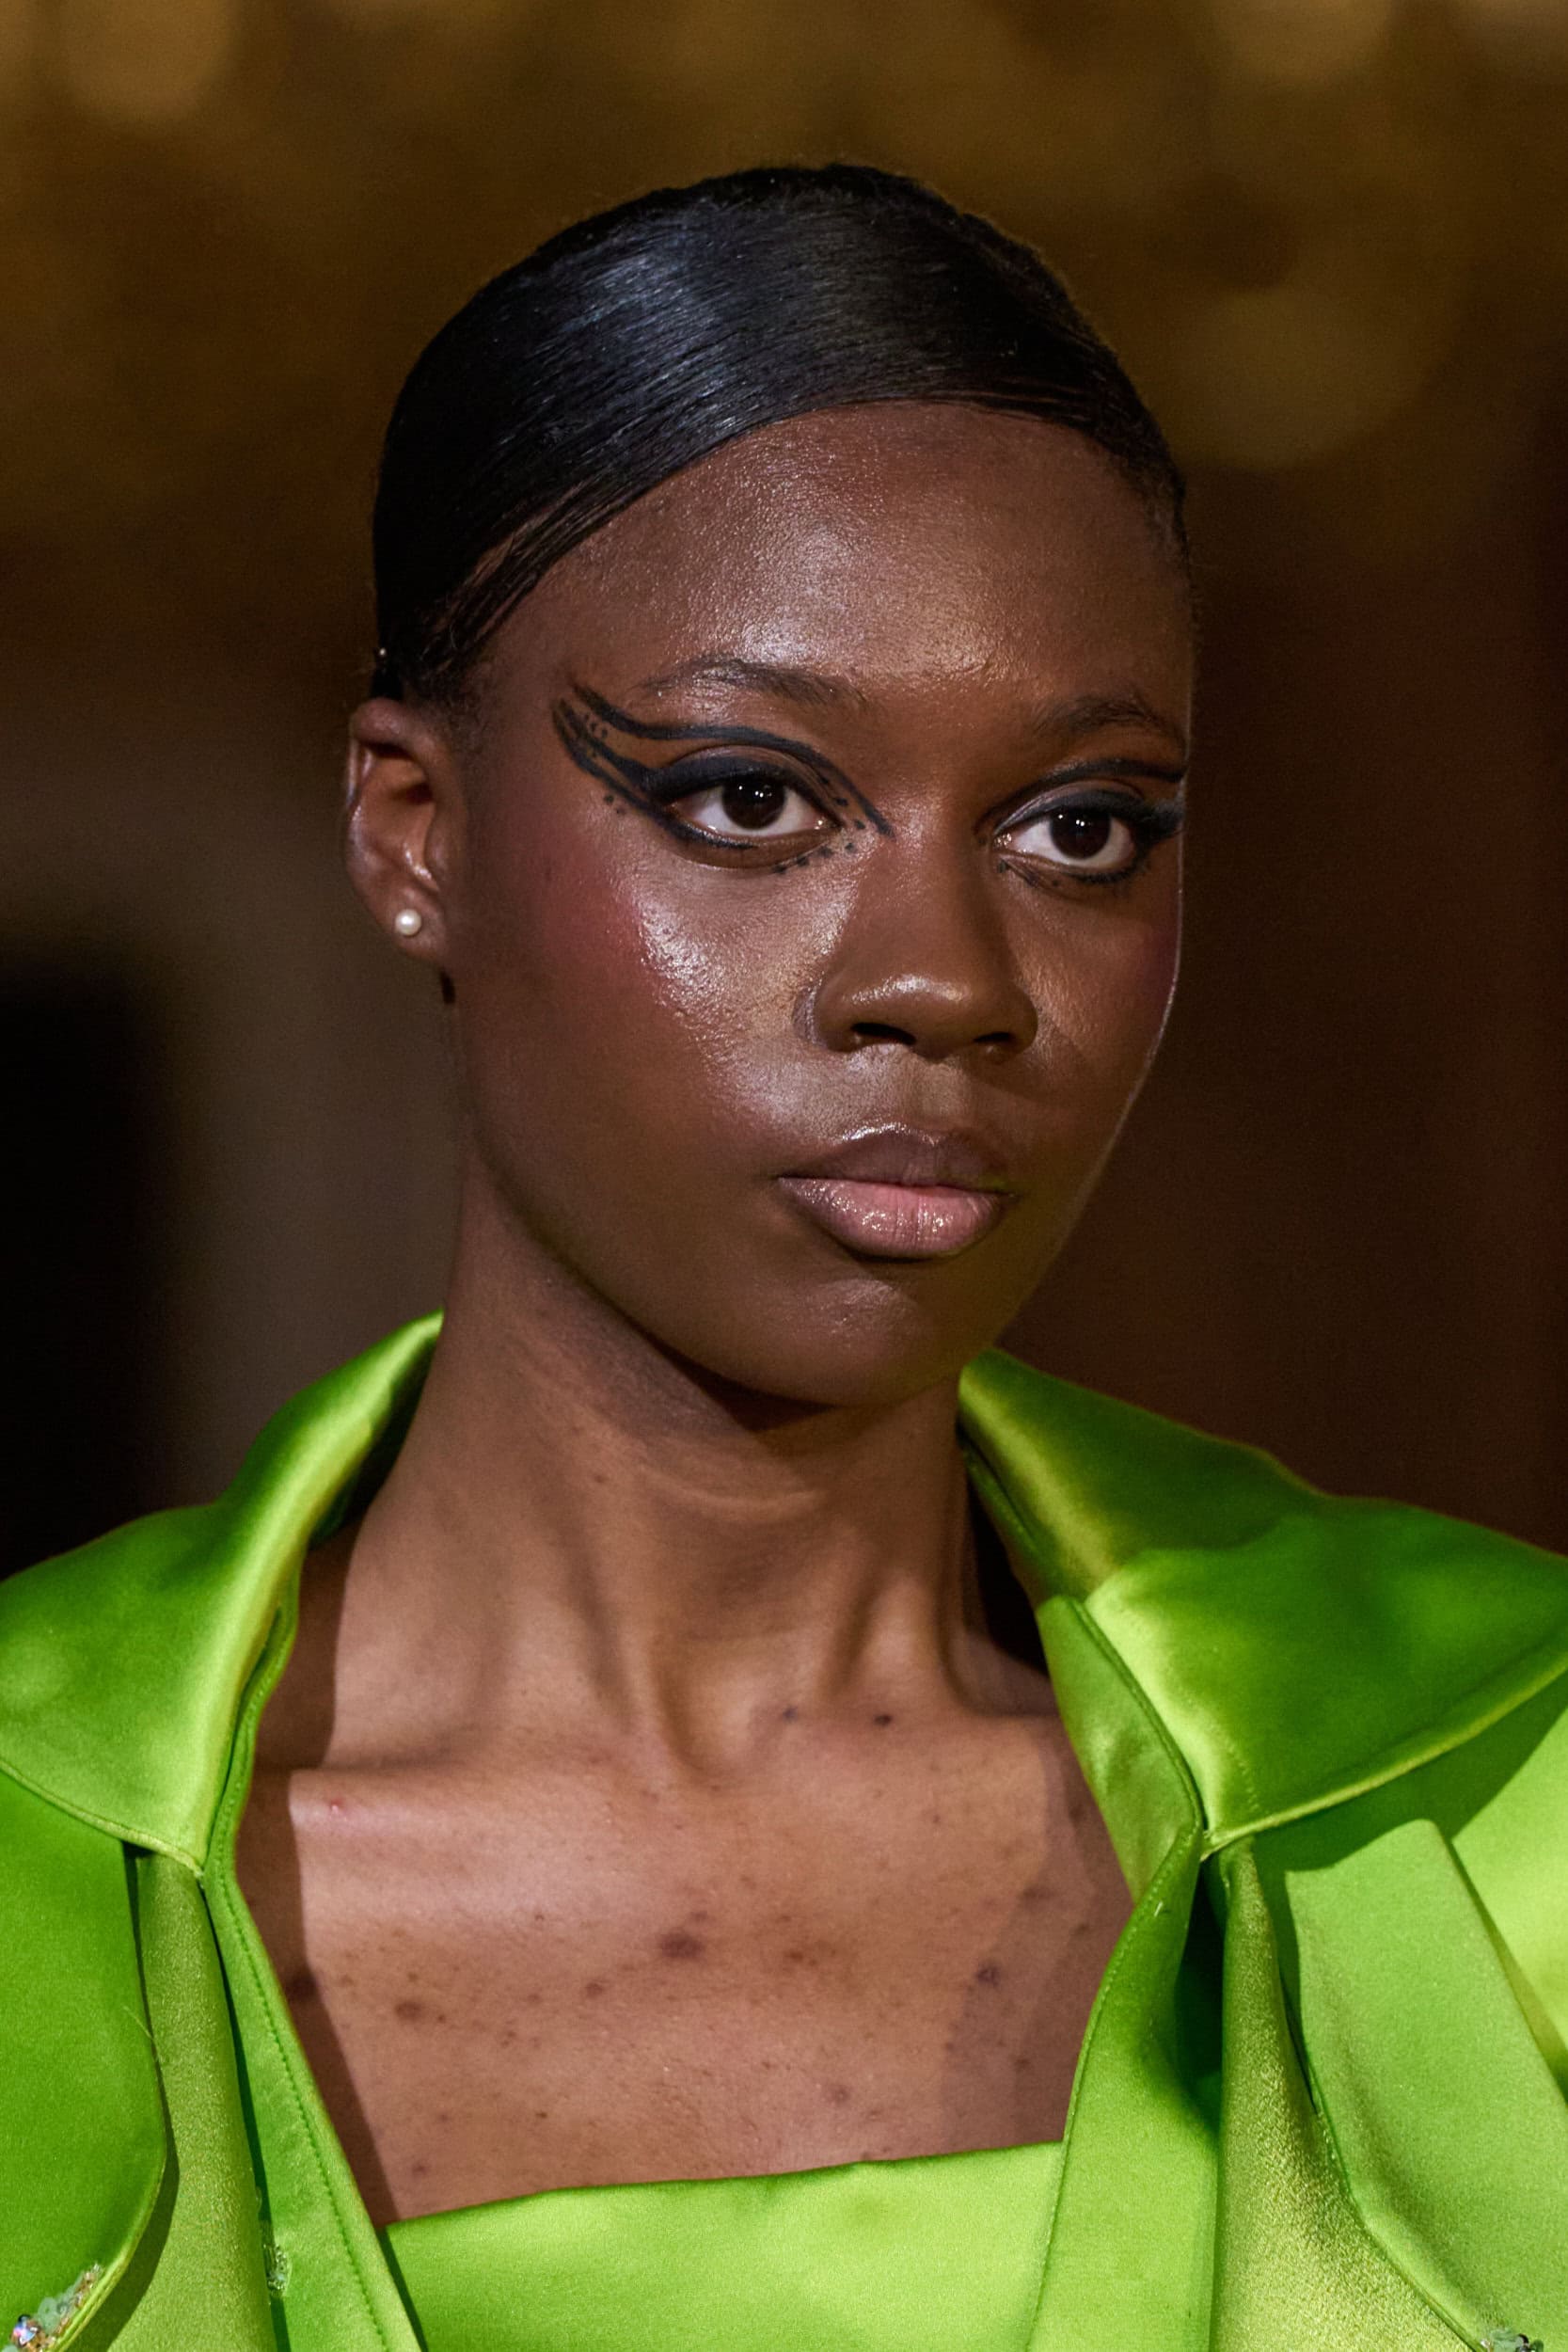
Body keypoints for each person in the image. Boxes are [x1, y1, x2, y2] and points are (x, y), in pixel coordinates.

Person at [1, 164, 1564, 2352]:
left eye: (1081, 825)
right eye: (753, 798)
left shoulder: (1495, 1791)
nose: (944, 979)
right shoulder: (36, 1856)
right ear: (413, 832)